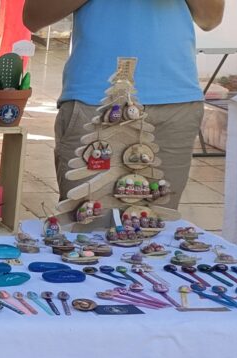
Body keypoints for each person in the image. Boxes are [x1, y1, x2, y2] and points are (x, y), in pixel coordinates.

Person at [25, 0, 224, 224]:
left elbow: (211, 18)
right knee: (86, 235)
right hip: (96, 100)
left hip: (174, 102)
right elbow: (34, 17)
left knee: (157, 233)